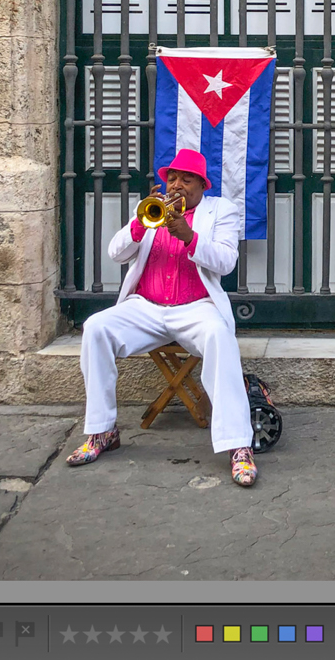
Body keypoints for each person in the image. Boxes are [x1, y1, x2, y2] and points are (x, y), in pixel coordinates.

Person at [64, 149, 259, 486]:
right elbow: (116, 253)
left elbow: (226, 262)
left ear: (201, 184)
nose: (176, 185)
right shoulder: (151, 211)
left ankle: (238, 446)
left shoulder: (220, 211)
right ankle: (101, 432)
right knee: (96, 327)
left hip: (196, 306)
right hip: (146, 307)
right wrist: (140, 224)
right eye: (172, 178)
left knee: (219, 337)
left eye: (186, 179)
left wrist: (189, 236)